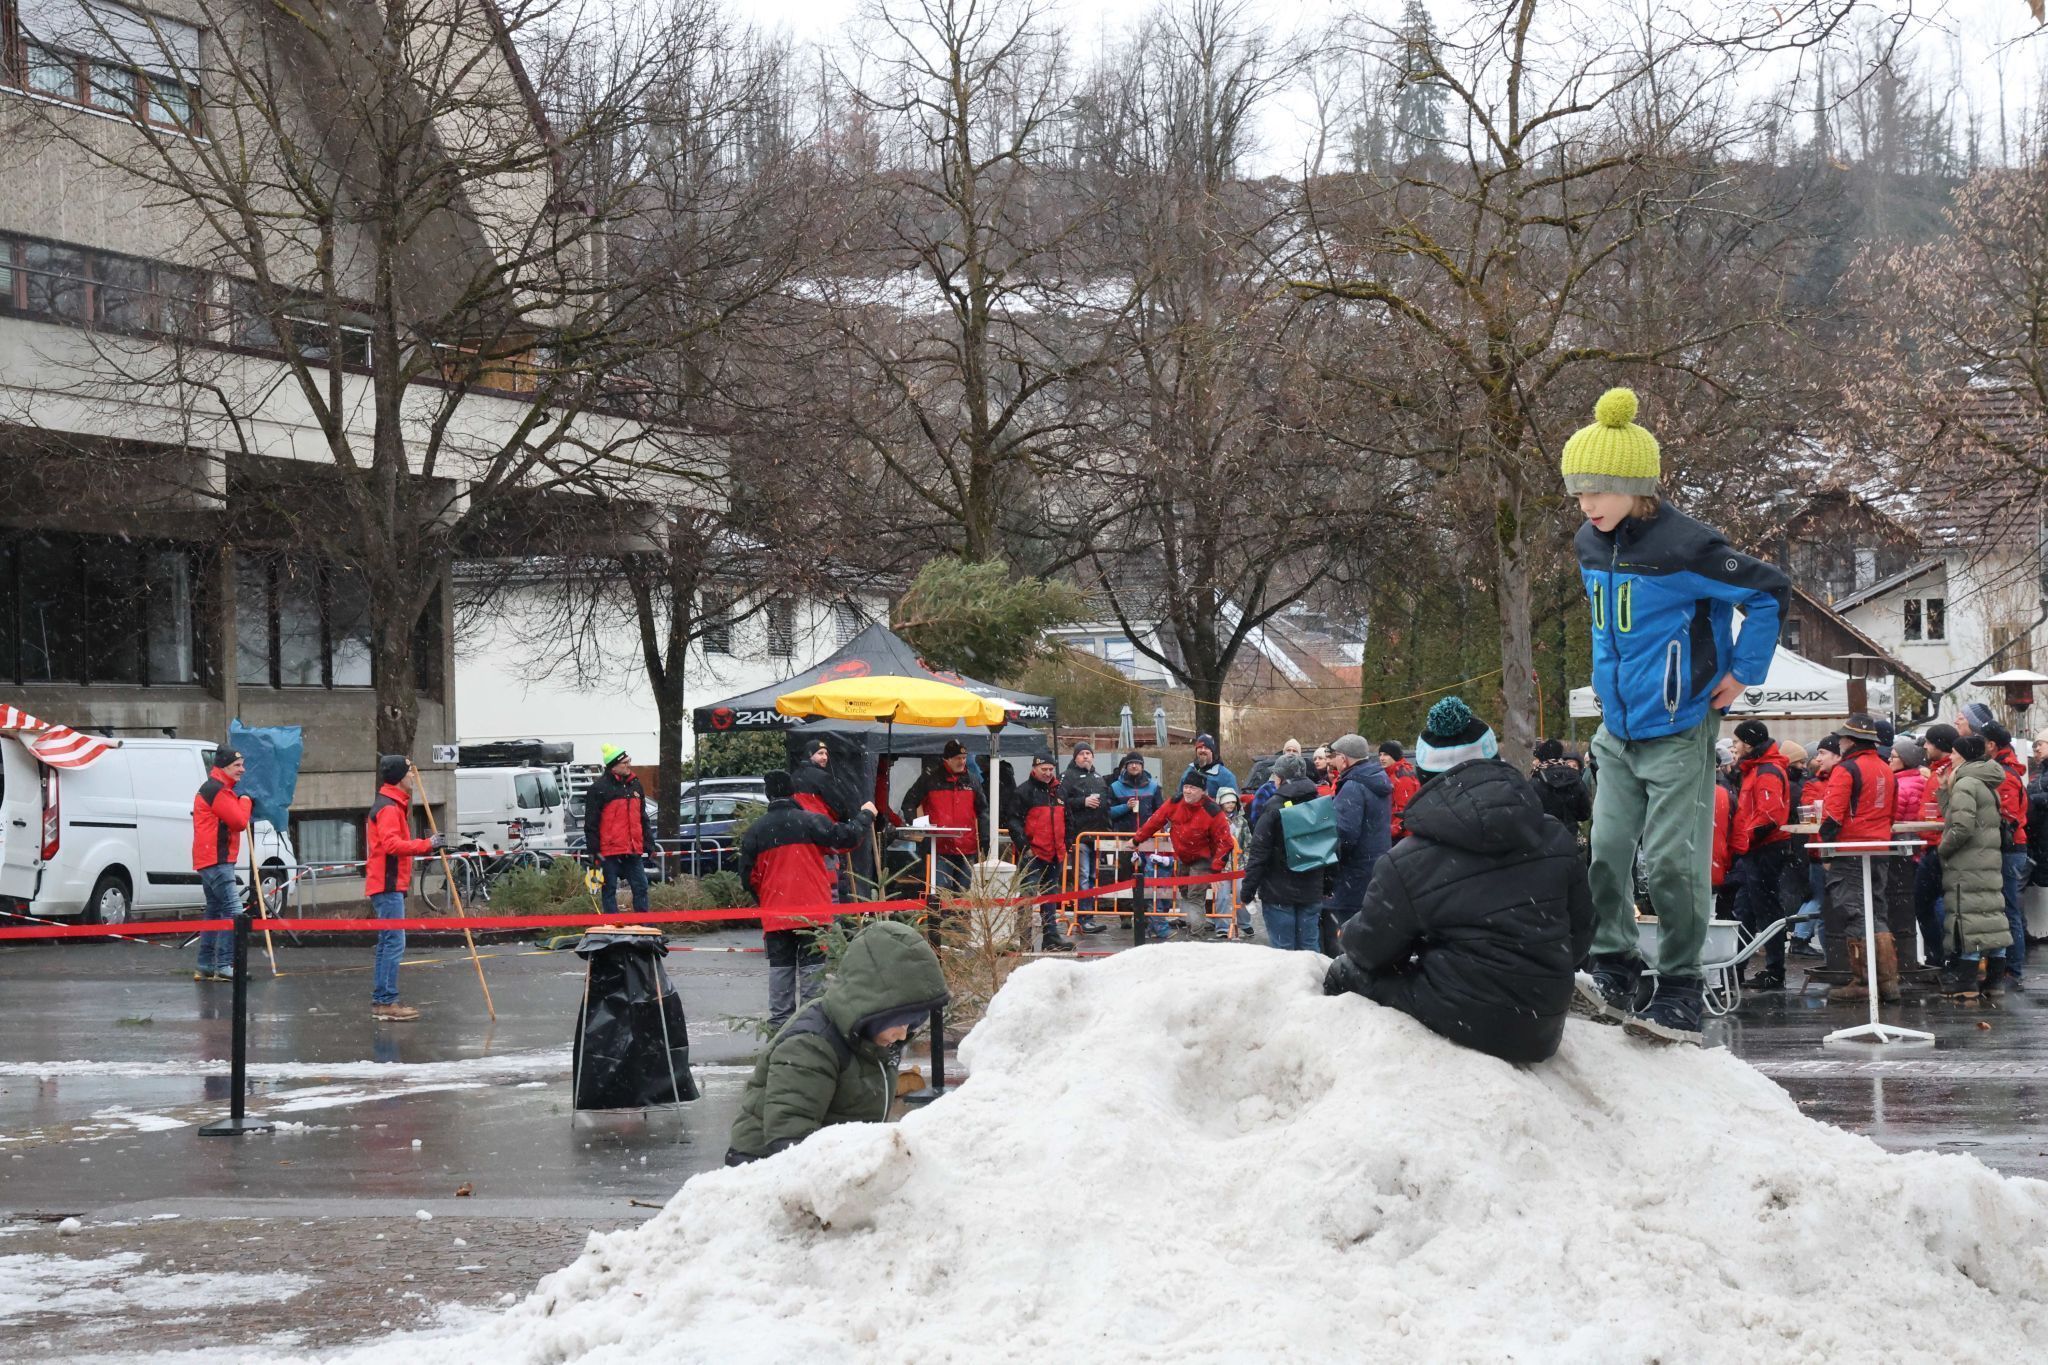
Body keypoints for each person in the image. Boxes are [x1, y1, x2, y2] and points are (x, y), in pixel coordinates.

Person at [1566, 387, 1788, 1046]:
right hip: (1618, 731)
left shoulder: (1686, 546)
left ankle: (1682, 983)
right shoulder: (1589, 541)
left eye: (1598, 491)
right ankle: (1615, 966)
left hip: (1680, 726)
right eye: (1579, 492)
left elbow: (1769, 590)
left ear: (1635, 486)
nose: (1587, 505)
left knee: (1670, 863)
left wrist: (1744, 670)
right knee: (1604, 854)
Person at [1322, 699, 1595, 1065]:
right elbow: (1582, 933)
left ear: (1422, 775)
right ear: (1494, 761)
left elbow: (1369, 951)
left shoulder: (1407, 862)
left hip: (1468, 1017)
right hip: (1544, 1023)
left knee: (1344, 972)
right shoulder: (1553, 836)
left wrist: (1355, 930)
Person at [725, 920, 949, 1165]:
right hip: (764, 1168)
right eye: (898, 1021)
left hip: (834, 1162)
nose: (903, 1034)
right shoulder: (810, 1046)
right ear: (872, 1010)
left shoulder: (871, 1039)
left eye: (912, 1023)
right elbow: (789, 1140)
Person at [738, 771, 877, 1029]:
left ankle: (779, 1031)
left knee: (780, 971)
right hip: (813, 912)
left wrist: (768, 898)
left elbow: (748, 878)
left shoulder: (755, 832)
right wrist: (866, 814)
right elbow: (847, 837)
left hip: (776, 914)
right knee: (813, 973)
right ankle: (811, 1029)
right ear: (792, 792)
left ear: (769, 795)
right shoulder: (811, 822)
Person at [1814, 715, 1897, 1004]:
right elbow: (1891, 811)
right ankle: (1887, 981)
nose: (1839, 741)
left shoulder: (1846, 769)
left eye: (1842, 738)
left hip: (1850, 849)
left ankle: (1864, 980)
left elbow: (1833, 813)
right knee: (1876, 909)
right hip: (1880, 848)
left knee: (1854, 910)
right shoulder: (1885, 768)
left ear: (1850, 741)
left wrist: (1826, 848)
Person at [363, 754, 445, 1022]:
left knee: (388, 942)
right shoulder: (388, 807)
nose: (413, 776)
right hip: (387, 885)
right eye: (410, 772)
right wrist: (427, 844)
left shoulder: (392, 804)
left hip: (388, 884)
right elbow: (392, 845)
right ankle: (386, 1001)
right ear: (399, 776)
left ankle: (382, 998)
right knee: (393, 942)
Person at [1938, 735, 2015, 998]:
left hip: (1966, 863)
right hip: (1987, 861)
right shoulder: (1985, 782)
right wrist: (1942, 790)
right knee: (1990, 917)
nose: (1950, 756)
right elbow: (1957, 816)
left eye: (1954, 752)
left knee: (1968, 918)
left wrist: (1943, 849)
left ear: (1964, 755)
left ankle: (1967, 982)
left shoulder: (1965, 783)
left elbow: (1960, 827)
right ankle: (1994, 982)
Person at [1238, 754, 1327, 951]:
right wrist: (1328, 885)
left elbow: (1259, 852)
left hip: (1278, 891)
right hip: (1311, 890)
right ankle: (1313, 983)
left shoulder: (1273, 807)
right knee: (1310, 949)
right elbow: (1331, 846)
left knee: (1283, 952)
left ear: (1281, 779)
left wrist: (1248, 890)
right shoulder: (1320, 803)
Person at [1728, 720, 1793, 990]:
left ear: (1749, 743)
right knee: (1747, 910)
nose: (1734, 748)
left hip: (1764, 849)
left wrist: (1745, 839)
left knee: (1764, 911)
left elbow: (1770, 816)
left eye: (1736, 743)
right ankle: (1737, 969)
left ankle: (1775, 971)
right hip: (1757, 849)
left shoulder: (1766, 771)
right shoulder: (1756, 768)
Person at [1135, 775, 1237, 938]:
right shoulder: (1175, 802)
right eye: (1186, 787)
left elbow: (1225, 842)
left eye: (1193, 788)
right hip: (1183, 856)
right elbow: (1156, 820)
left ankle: (1196, 937)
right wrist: (1137, 839)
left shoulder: (1212, 810)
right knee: (1185, 893)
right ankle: (1193, 927)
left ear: (1203, 792)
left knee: (1195, 896)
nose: (1188, 791)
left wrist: (1216, 870)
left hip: (1203, 859)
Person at [191, 744, 252, 983]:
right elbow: (239, 821)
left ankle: (206, 964)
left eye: (242, 764)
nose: (242, 770)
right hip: (217, 860)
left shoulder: (215, 788)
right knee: (234, 912)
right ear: (224, 767)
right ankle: (225, 965)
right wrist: (246, 801)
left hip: (209, 860)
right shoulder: (217, 790)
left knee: (214, 911)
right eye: (237, 765)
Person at [1325, 732, 1394, 940]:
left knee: (1346, 938)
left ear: (1344, 759)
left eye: (1335, 755)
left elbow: (1344, 834)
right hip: (1376, 868)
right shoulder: (1377, 780)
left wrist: (1330, 867)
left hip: (1352, 875)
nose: (1333, 761)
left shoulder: (1353, 786)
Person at [901, 740, 987, 892]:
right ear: (947, 759)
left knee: (965, 894)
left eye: (964, 758)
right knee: (941, 894)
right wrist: (920, 828)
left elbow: (983, 812)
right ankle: (942, 916)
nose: (962, 761)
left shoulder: (973, 780)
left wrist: (984, 841)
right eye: (958, 758)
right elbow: (909, 803)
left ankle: (960, 916)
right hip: (939, 848)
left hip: (967, 848)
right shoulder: (930, 778)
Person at [1008, 755, 1074, 951]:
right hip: (1033, 853)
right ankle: (1025, 939)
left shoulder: (1060, 791)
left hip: (1055, 852)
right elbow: (1013, 821)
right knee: (1027, 897)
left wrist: (1067, 843)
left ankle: (1051, 937)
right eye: (1044, 769)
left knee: (1050, 897)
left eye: (1050, 769)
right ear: (1035, 769)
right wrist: (1024, 846)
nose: (1047, 773)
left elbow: (1069, 819)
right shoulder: (1023, 792)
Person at [1982, 722, 2030, 990]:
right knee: (2008, 909)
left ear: (1992, 745)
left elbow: (2008, 816)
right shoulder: (2006, 770)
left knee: (2009, 910)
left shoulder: (2003, 774)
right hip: (2012, 849)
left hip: (2009, 850)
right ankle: (2007, 968)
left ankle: (2013, 970)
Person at [584, 745, 656, 917]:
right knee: (609, 890)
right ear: (613, 765)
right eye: (625, 762)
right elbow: (591, 824)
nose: (629, 765)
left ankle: (643, 925)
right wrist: (594, 851)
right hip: (608, 851)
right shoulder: (599, 788)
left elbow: (642, 816)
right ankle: (613, 925)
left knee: (641, 887)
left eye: (629, 761)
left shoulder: (636, 785)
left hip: (632, 849)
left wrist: (649, 842)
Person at [1914, 724, 1959, 966]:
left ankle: (1942, 957)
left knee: (1926, 902)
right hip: (1934, 844)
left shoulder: (1948, 774)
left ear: (1940, 745)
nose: (1925, 746)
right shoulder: (1938, 771)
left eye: (1929, 743)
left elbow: (1951, 814)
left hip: (1939, 846)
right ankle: (1943, 956)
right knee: (1931, 902)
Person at [1888, 737, 1930, 970]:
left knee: (1901, 905)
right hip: (1918, 850)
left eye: (1893, 757)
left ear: (1904, 760)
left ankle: (1905, 957)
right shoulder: (1921, 781)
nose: (1889, 760)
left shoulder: (1900, 786)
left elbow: (1893, 819)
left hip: (1902, 851)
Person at [1062, 742, 1112, 934]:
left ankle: (1089, 916)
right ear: (1075, 757)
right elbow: (1062, 802)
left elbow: (1106, 806)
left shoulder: (1099, 778)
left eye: (1088, 753)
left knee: (1092, 877)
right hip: (1078, 836)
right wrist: (1082, 802)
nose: (1085, 757)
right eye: (1082, 754)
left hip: (1097, 835)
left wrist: (1107, 832)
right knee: (1082, 877)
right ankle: (1083, 917)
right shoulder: (1068, 776)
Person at [1529, 738, 1592, 835]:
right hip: (1570, 835)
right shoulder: (1575, 779)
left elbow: (1530, 815)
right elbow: (1585, 813)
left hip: (1544, 837)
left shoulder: (1534, 782)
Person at [1214, 787, 1250, 939]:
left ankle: (1245, 924)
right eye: (1226, 802)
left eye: (1232, 802)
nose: (1229, 805)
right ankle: (1221, 925)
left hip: (1239, 865)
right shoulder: (1215, 821)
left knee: (1241, 895)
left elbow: (1248, 843)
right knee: (1221, 897)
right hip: (1222, 867)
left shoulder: (1242, 821)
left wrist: (1247, 862)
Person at [1380, 741, 1421, 841]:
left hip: (1403, 836)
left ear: (1394, 755)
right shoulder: (1391, 773)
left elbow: (1404, 811)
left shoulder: (1402, 777)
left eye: (1386, 754)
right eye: (1380, 755)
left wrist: (1389, 833)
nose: (1381, 758)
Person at [1179, 733, 1239, 801]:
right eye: (1200, 747)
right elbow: (1179, 796)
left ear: (1212, 752)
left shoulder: (1226, 776)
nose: (1203, 750)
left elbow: (1232, 805)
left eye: (1206, 748)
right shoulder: (1189, 771)